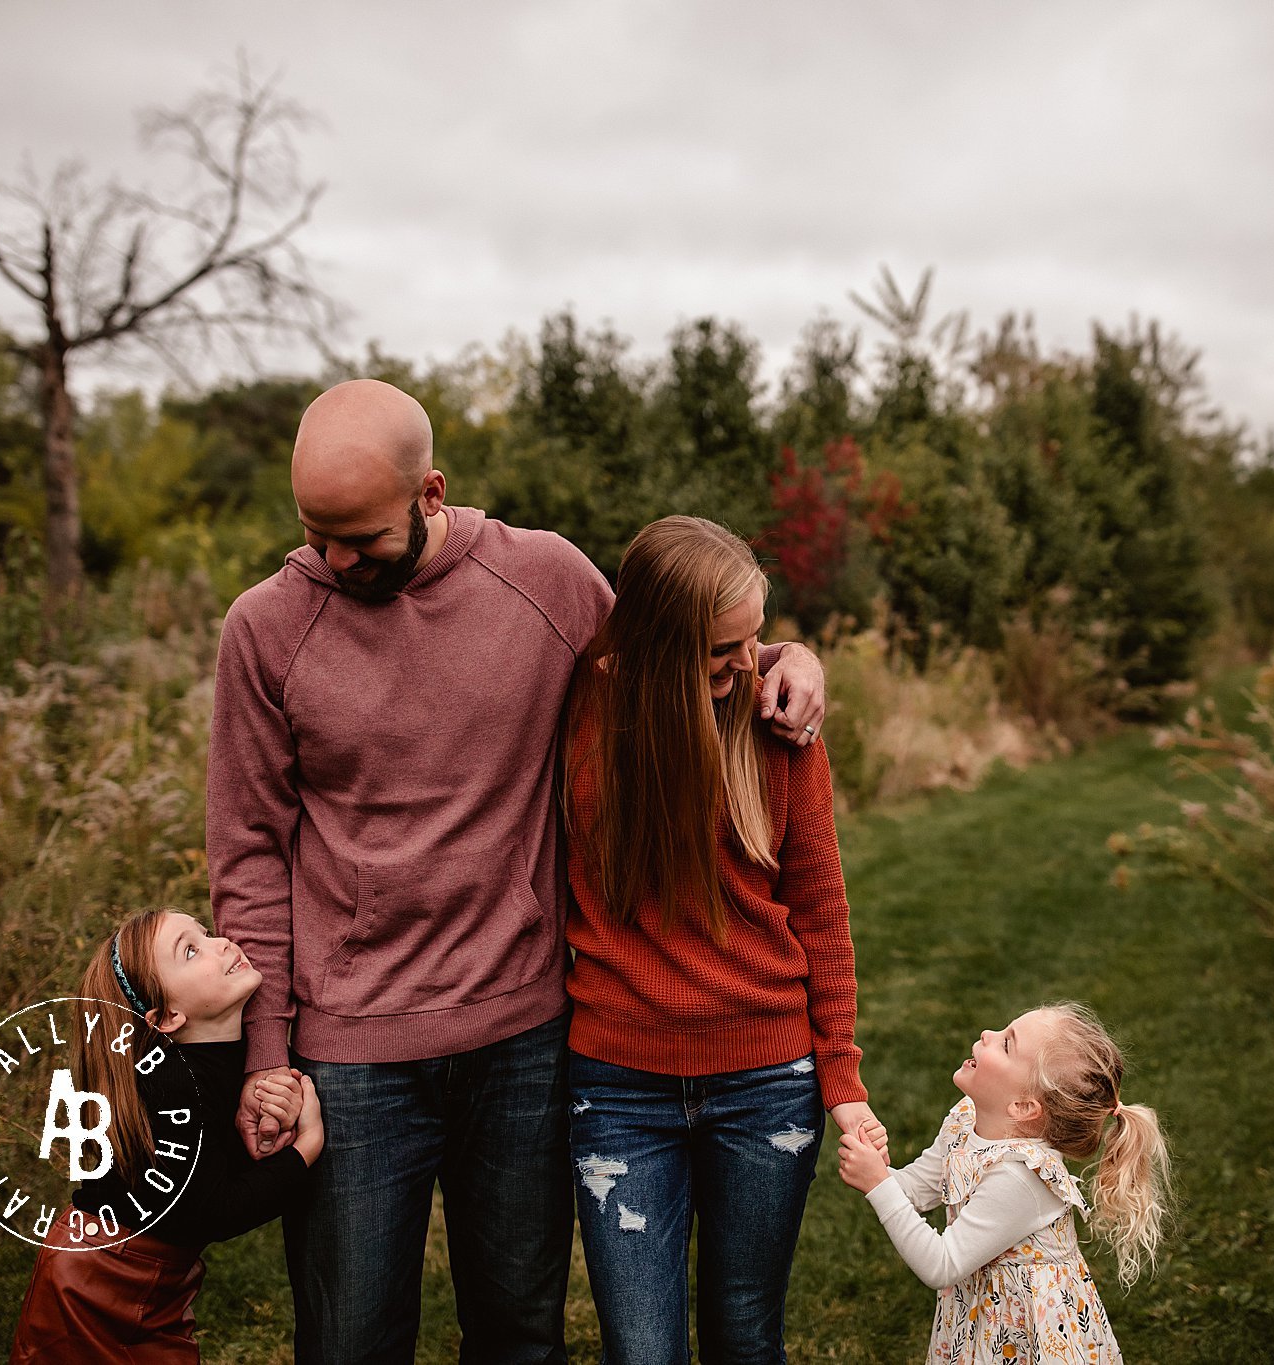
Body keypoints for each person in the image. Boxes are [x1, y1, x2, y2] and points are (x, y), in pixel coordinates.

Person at [207, 380, 827, 1363]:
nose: (333, 560)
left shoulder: (545, 580)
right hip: (350, 1050)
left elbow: (678, 648)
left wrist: (789, 657)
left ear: (430, 492)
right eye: (315, 534)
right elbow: (246, 854)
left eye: (361, 536)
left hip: (524, 1042)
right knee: (350, 1339)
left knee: (519, 1337)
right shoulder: (265, 629)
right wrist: (269, 1052)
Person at [559, 515, 878, 1362]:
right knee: (641, 1348)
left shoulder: (776, 728)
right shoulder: (579, 716)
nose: (747, 663)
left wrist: (839, 1073)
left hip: (767, 1083)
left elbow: (822, 910)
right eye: (720, 650)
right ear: (658, 648)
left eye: (758, 639)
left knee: (744, 1332)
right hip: (619, 1090)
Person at [9, 910, 323, 1364]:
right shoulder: (171, 1085)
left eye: (206, 933)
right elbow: (211, 1211)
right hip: (96, 1282)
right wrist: (305, 1149)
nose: (222, 943)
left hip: (143, 1276)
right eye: (191, 951)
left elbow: (211, 1165)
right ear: (168, 1017)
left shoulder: (220, 1060)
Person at [836, 1002, 1170, 1365]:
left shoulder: (1021, 1176)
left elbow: (941, 1265)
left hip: (1030, 1335)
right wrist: (878, 1166)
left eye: (1006, 1044)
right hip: (982, 1316)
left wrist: (877, 1185)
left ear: (1023, 1107)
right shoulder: (966, 1119)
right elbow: (915, 1190)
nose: (987, 1035)